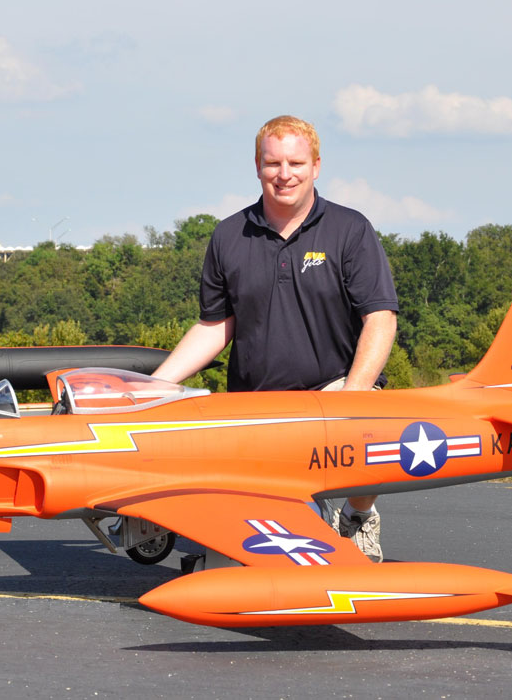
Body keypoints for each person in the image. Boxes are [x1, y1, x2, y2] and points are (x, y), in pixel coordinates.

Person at [152, 115, 398, 561]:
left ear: (317, 166)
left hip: (334, 388)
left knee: (372, 418)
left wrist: (355, 395)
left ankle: (359, 518)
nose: (285, 174)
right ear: (257, 165)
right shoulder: (229, 234)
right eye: (273, 163)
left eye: (296, 163)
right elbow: (214, 325)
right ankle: (298, 528)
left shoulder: (350, 229)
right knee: (260, 533)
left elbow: (380, 316)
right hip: (255, 400)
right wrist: (152, 388)